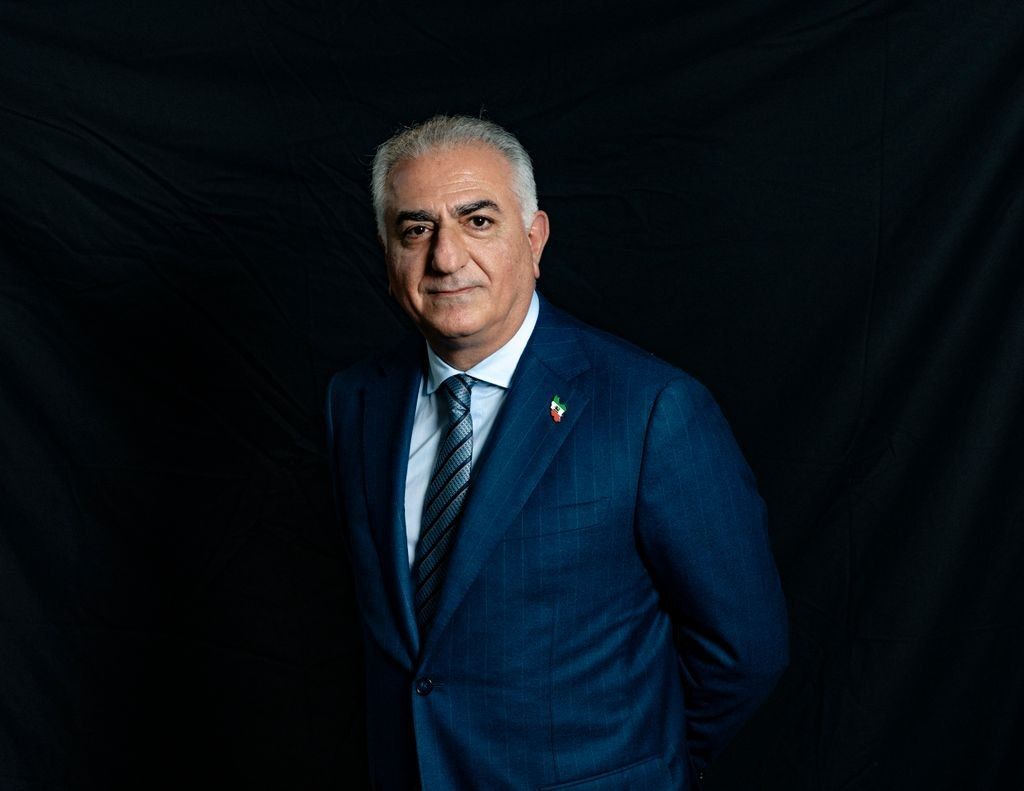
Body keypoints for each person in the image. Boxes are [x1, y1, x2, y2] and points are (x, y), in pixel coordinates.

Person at [325, 115, 788, 790]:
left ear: (534, 238)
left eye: (478, 221)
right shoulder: (356, 403)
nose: (446, 258)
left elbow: (747, 650)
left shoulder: (651, 408)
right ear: (387, 252)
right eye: (416, 229)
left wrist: (640, 768)